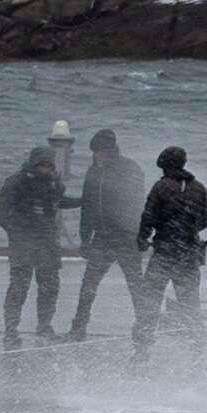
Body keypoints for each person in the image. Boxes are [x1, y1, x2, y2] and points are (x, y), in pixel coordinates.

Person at [65, 128, 146, 340]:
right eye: (95, 151)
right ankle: (78, 327)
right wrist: (85, 238)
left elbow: (138, 202)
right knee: (89, 284)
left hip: (126, 236)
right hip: (102, 237)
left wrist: (139, 233)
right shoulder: (94, 171)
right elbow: (88, 206)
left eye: (100, 151)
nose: (97, 155)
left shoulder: (129, 168)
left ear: (110, 150)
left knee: (135, 284)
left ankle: (144, 324)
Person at [134, 144, 207, 349]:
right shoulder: (199, 188)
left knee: (150, 299)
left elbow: (148, 217)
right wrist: (187, 230)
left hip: (165, 253)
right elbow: (206, 220)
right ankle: (197, 346)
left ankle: (142, 346)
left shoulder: (161, 187)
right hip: (189, 253)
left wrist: (143, 239)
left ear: (164, 165)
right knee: (190, 302)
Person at [0, 145, 70, 345]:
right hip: (23, 243)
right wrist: (15, 231)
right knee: (19, 287)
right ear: (34, 163)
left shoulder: (54, 183)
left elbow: (58, 201)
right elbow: (1, 209)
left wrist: (83, 200)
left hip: (47, 243)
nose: (45, 169)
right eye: (41, 165)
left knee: (49, 287)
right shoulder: (17, 182)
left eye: (48, 165)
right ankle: (11, 329)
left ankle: (44, 326)